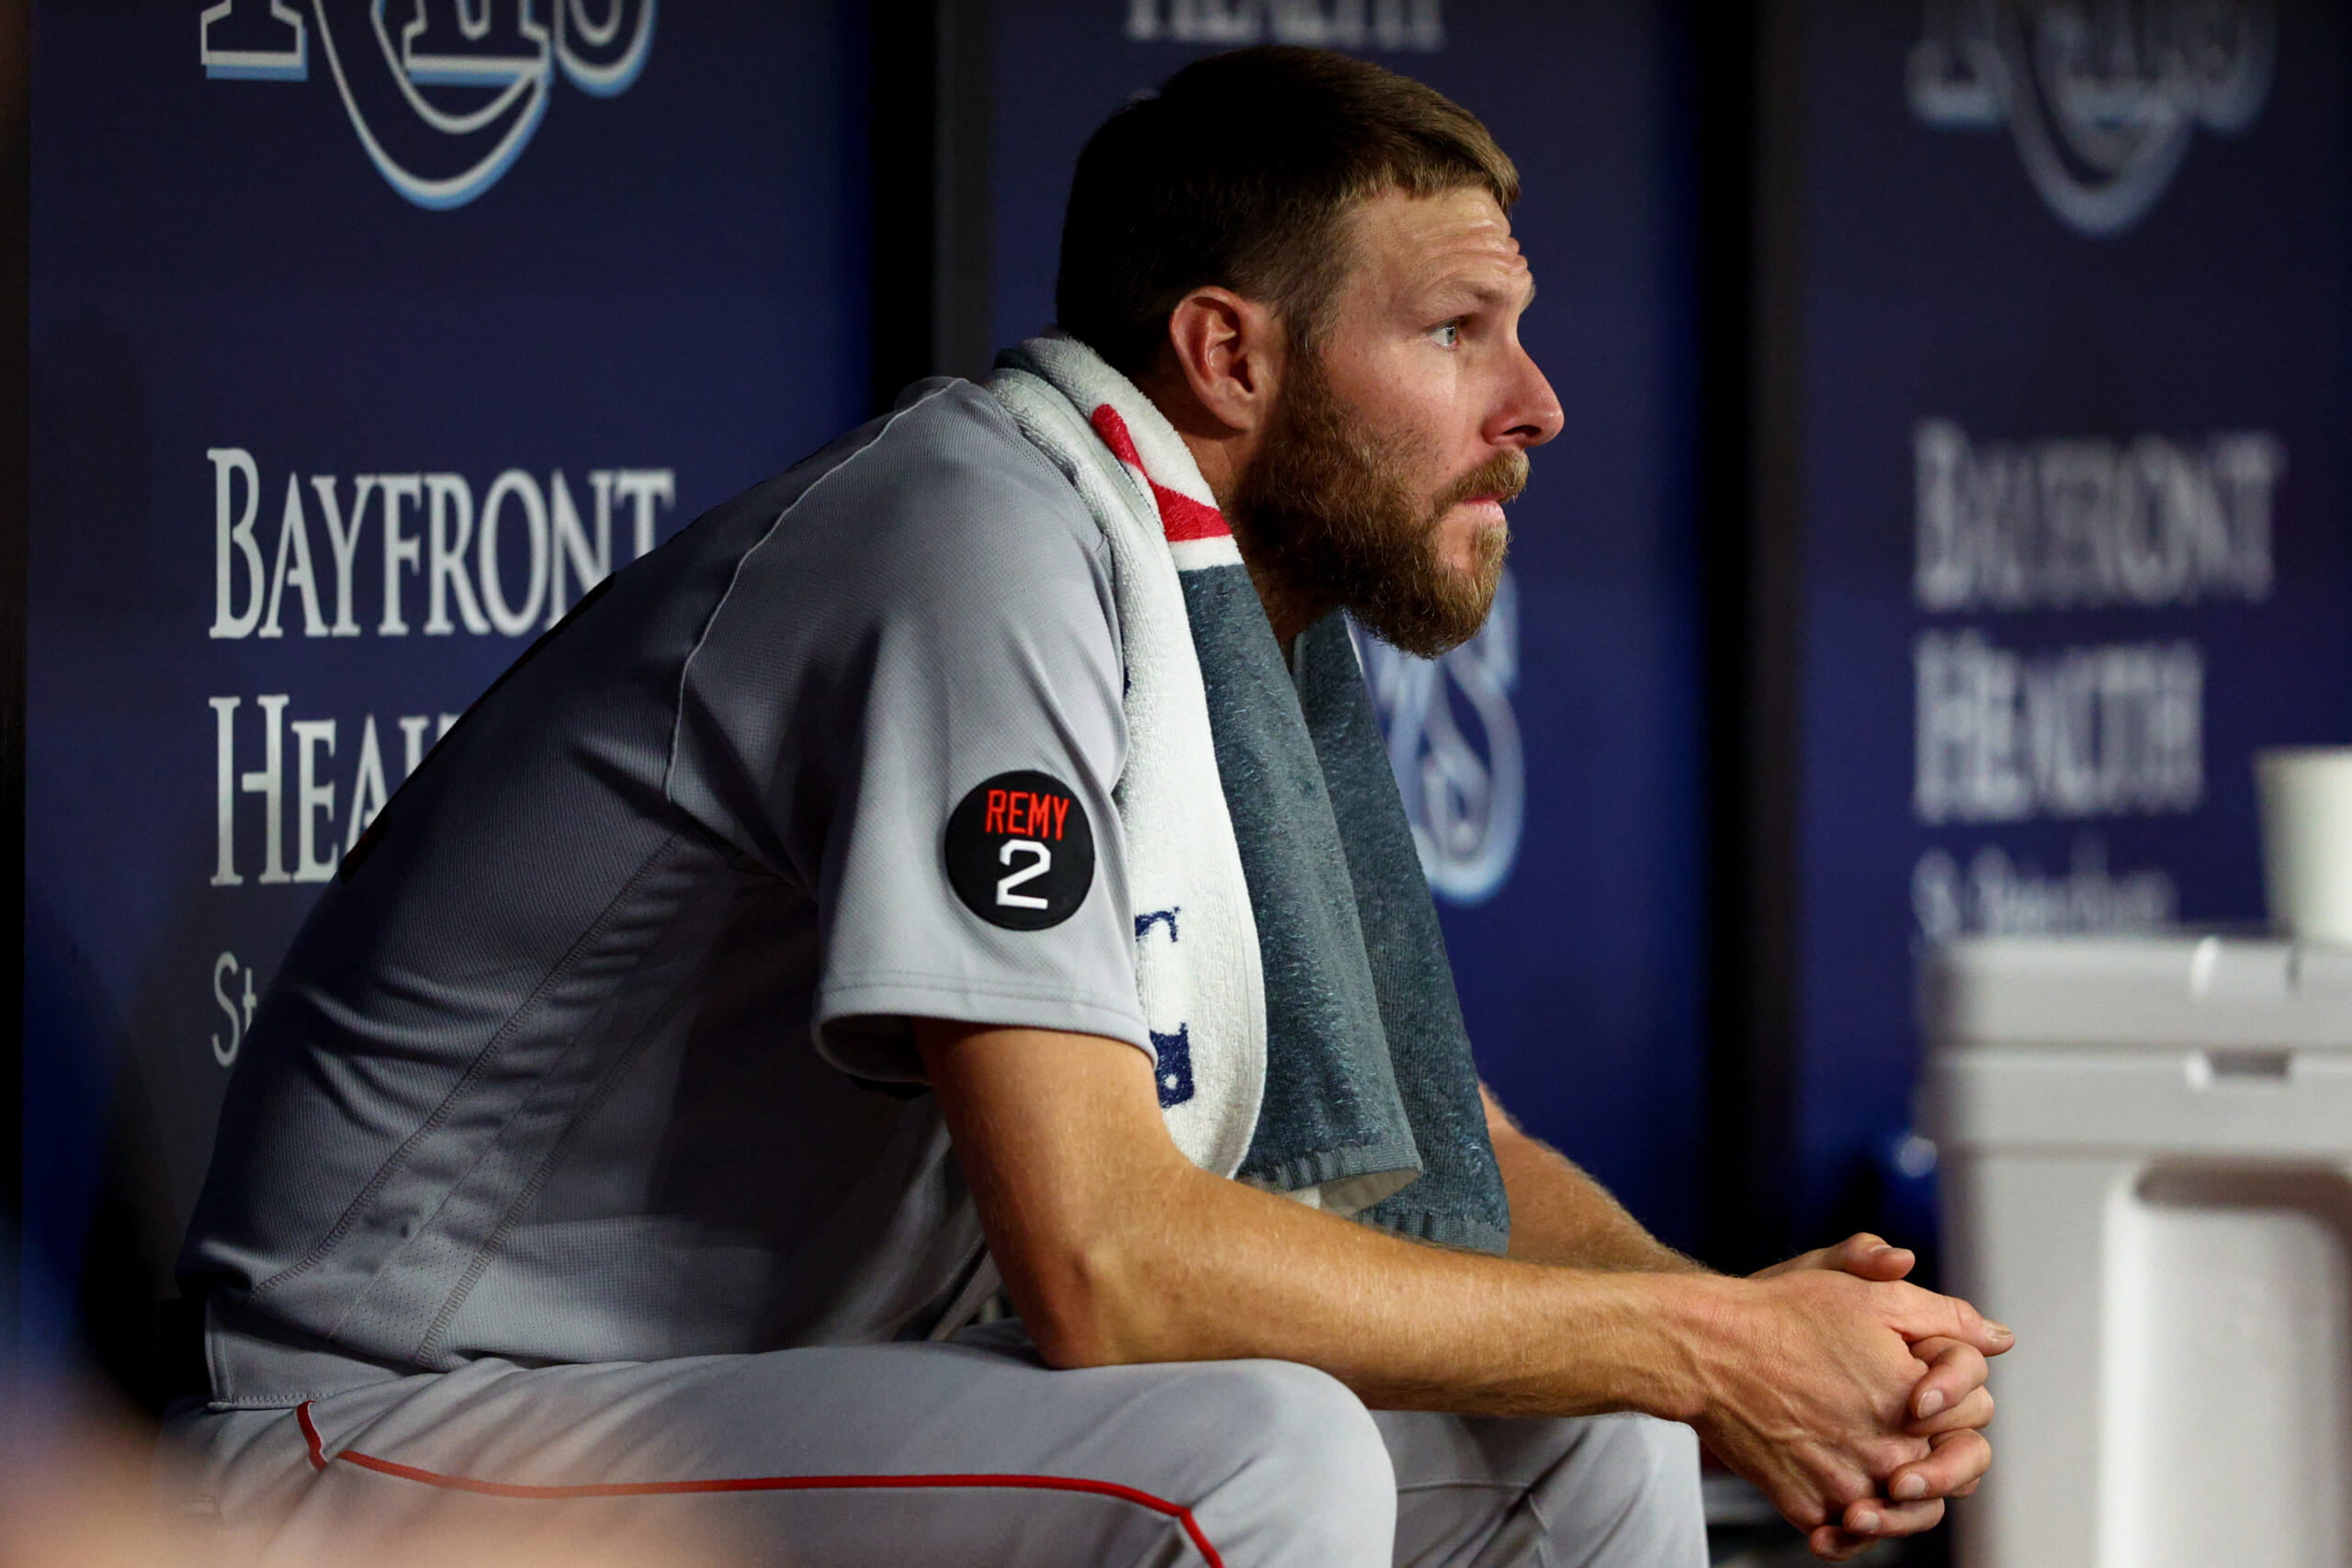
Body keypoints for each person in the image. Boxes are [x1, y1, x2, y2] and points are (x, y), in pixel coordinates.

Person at [165, 47, 2004, 1568]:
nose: (1533, 402)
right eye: (1455, 329)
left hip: (765, 1382)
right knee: (1257, 1453)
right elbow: (1103, 1265)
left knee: (1584, 1441)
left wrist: (1751, 1330)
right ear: (1229, 356)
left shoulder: (1221, 598)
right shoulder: (981, 535)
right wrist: (1708, 1345)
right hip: (396, 1418)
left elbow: (1452, 1157)